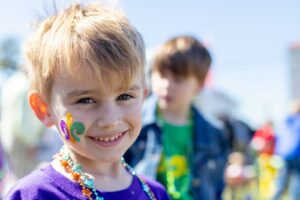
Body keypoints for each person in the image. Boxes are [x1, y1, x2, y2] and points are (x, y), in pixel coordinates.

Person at [5, 2, 170, 200]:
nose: (110, 120)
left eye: (125, 96)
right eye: (86, 100)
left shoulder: (155, 193)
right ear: (44, 109)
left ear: (143, 97)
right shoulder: (35, 194)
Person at [125, 35, 228, 200]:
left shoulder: (214, 133)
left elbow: (216, 188)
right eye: (161, 75)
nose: (166, 85)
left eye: (178, 79)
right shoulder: (134, 121)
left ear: (199, 86)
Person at [272, 100, 300, 200]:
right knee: (296, 180)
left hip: (282, 155)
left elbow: (277, 138)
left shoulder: (284, 121)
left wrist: (276, 153)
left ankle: (274, 198)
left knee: (280, 182)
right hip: (296, 155)